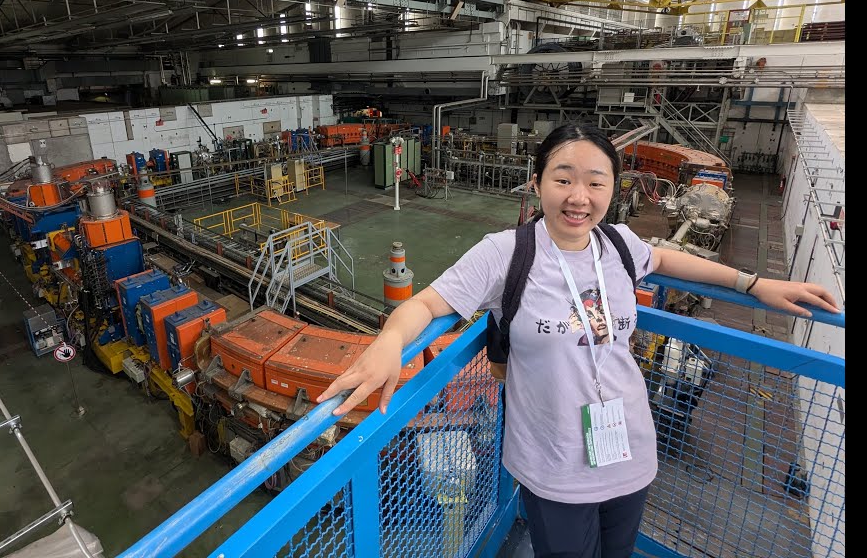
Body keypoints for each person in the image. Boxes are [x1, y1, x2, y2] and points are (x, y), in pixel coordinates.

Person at [315, 123, 839, 558]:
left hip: (630, 451)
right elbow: (426, 304)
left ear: (613, 188)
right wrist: (389, 342)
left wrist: (753, 283)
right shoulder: (506, 253)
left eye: (595, 182)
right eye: (563, 179)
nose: (578, 197)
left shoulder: (619, 243)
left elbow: (665, 258)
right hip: (554, 464)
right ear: (538, 181)